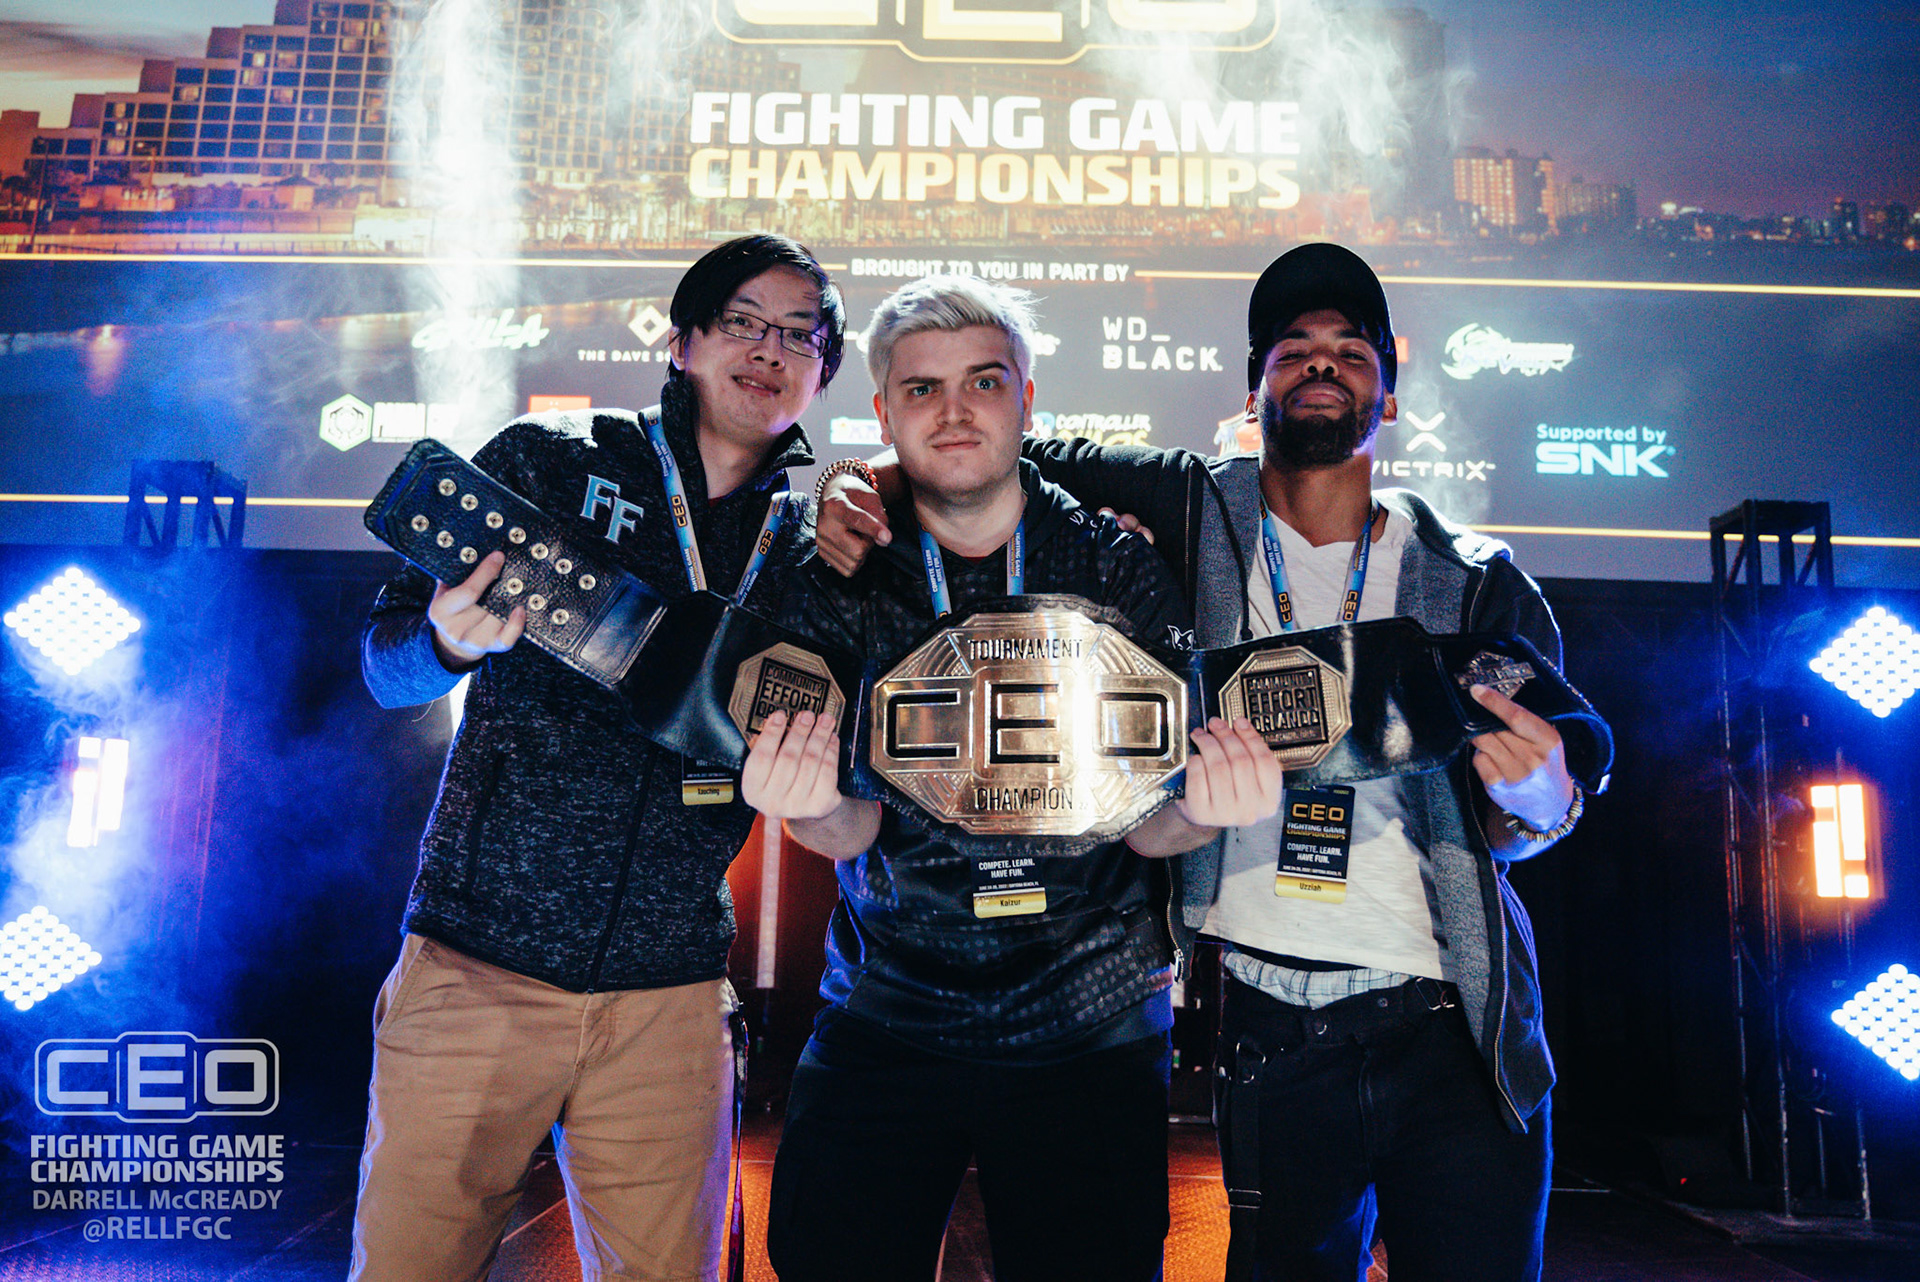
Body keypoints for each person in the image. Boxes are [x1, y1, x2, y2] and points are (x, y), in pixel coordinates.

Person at [815, 244, 1583, 1282]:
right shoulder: (1190, 511)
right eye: (1292, 350)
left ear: (1390, 392)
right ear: (1252, 392)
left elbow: (1543, 784)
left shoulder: (1474, 577)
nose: (1320, 365)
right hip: (1271, 1020)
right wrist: (850, 480)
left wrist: (1542, 802)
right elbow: (981, 445)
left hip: (1453, 1020)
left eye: (1351, 351)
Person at [742, 274, 1281, 1282]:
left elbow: (1149, 826)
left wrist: (1206, 815)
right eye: (922, 389)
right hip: (890, 1010)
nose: (953, 411)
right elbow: (852, 827)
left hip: (1090, 1021)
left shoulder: (1115, 565)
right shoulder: (836, 575)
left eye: (983, 382)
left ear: (1027, 398)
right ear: (883, 415)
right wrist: (806, 806)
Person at [354, 234, 845, 1282]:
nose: (770, 349)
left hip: (670, 998)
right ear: (682, 341)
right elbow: (384, 668)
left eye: (801, 335)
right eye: (744, 322)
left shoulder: (811, 553)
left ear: (822, 375)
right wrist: (443, 642)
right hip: (476, 967)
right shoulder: (549, 463)